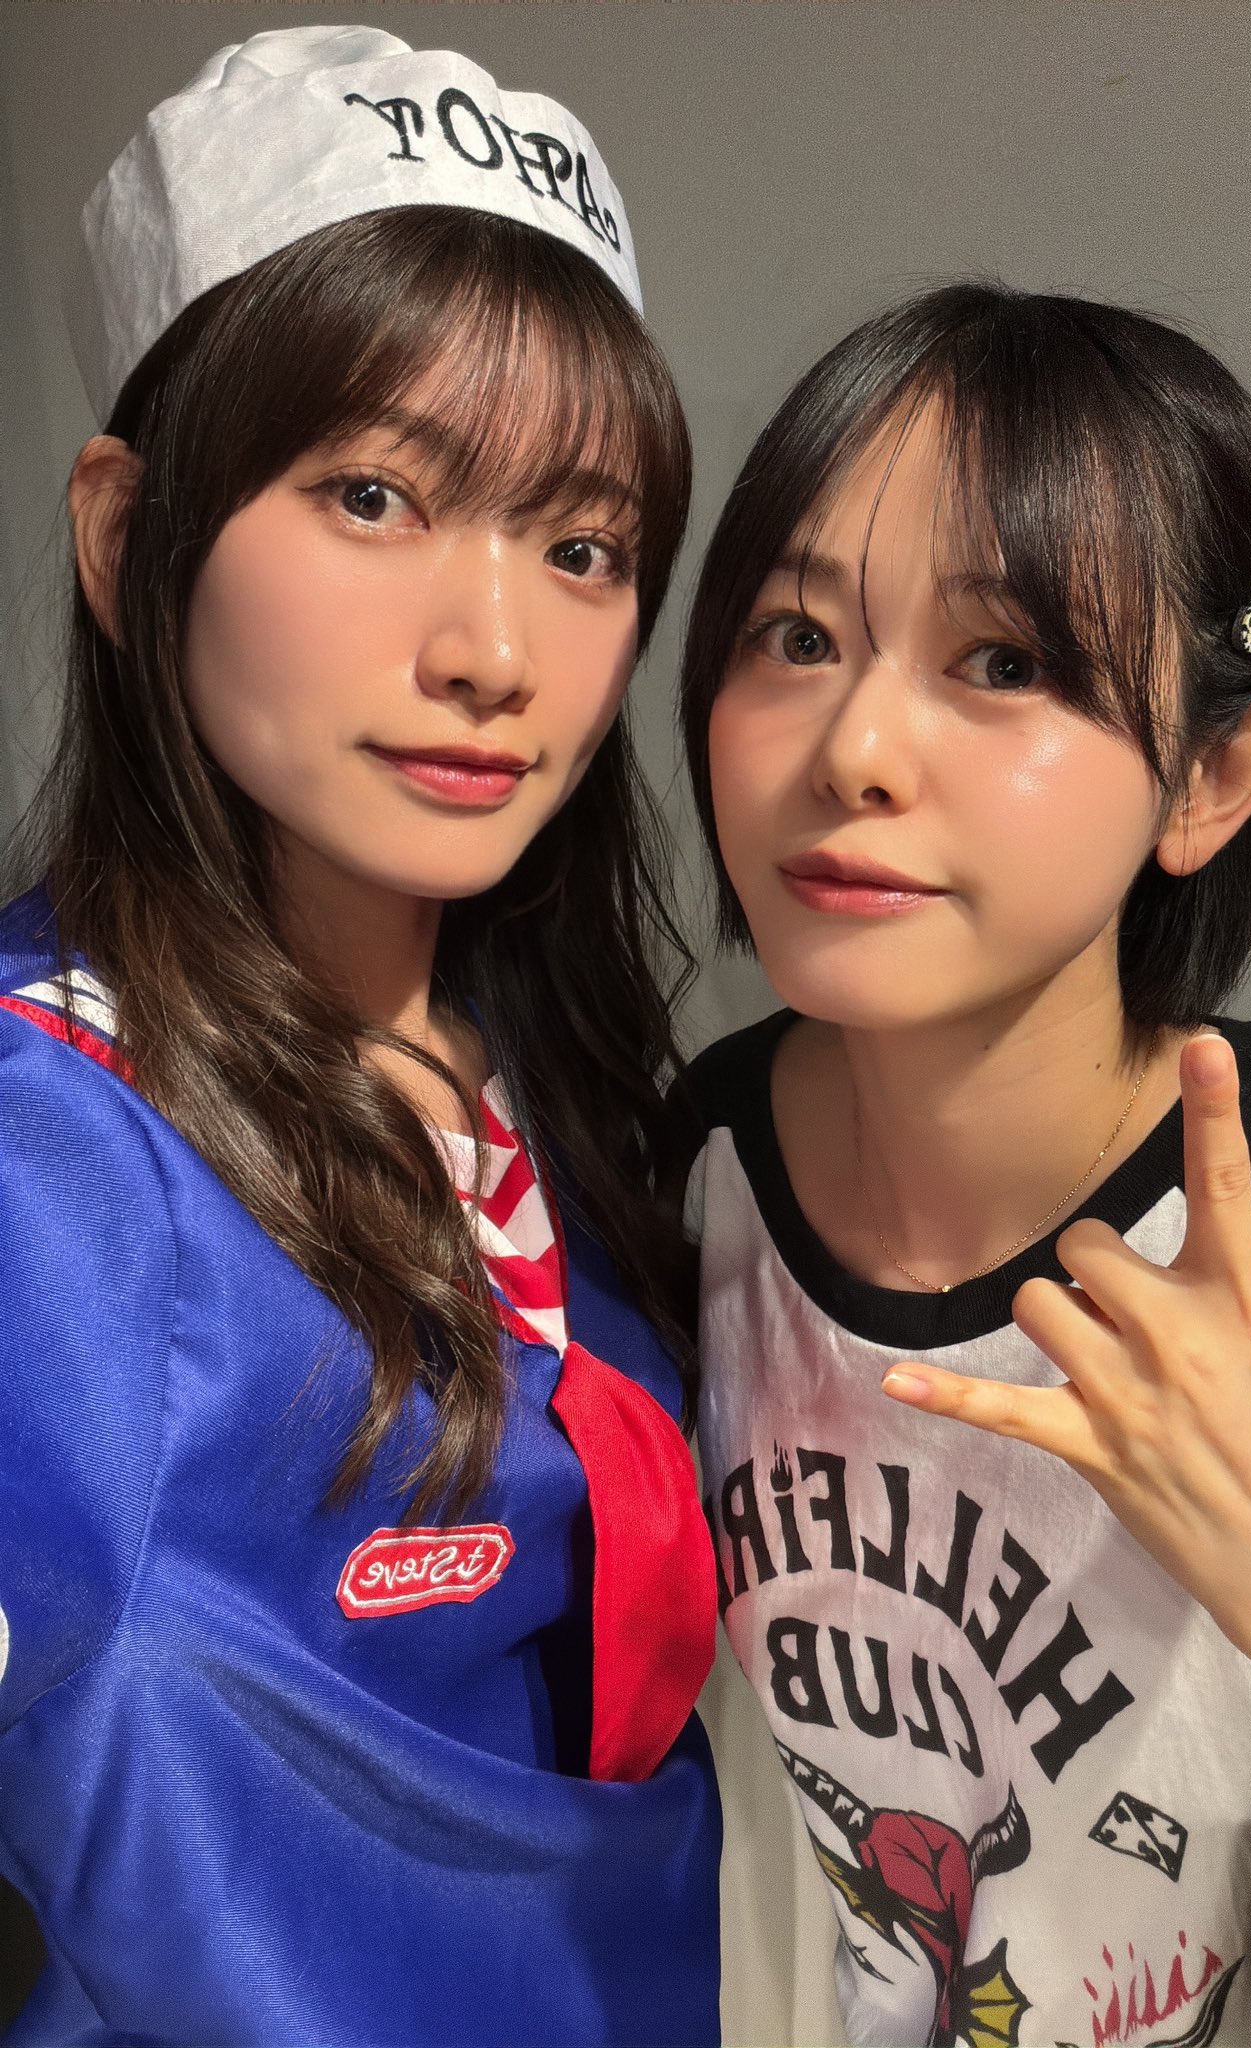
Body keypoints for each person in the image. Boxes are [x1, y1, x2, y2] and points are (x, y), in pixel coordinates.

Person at [677, 283, 1251, 2048]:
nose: (853, 752)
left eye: (1005, 664)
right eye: (794, 634)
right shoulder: (680, 1174)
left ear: (1216, 773)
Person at [0, 26, 720, 2045]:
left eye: (580, 547)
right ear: (127, 536)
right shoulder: (53, 1156)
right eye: (376, 495)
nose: (494, 650)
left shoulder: (558, 1065)